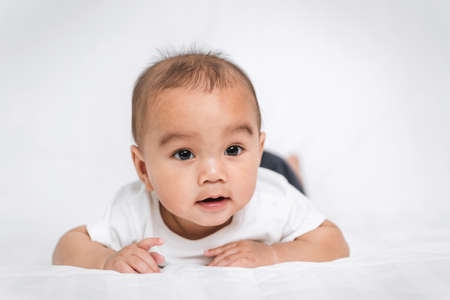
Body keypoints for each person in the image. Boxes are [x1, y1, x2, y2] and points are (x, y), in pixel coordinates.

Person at [52, 50, 349, 273]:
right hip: (249, 171)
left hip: (268, 172)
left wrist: (272, 255)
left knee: (286, 177)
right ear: (143, 169)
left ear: (256, 149)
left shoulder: (273, 199)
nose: (212, 174)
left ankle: (287, 165)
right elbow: (68, 247)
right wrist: (106, 260)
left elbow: (334, 243)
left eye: (233, 148)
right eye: (184, 154)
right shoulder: (135, 211)